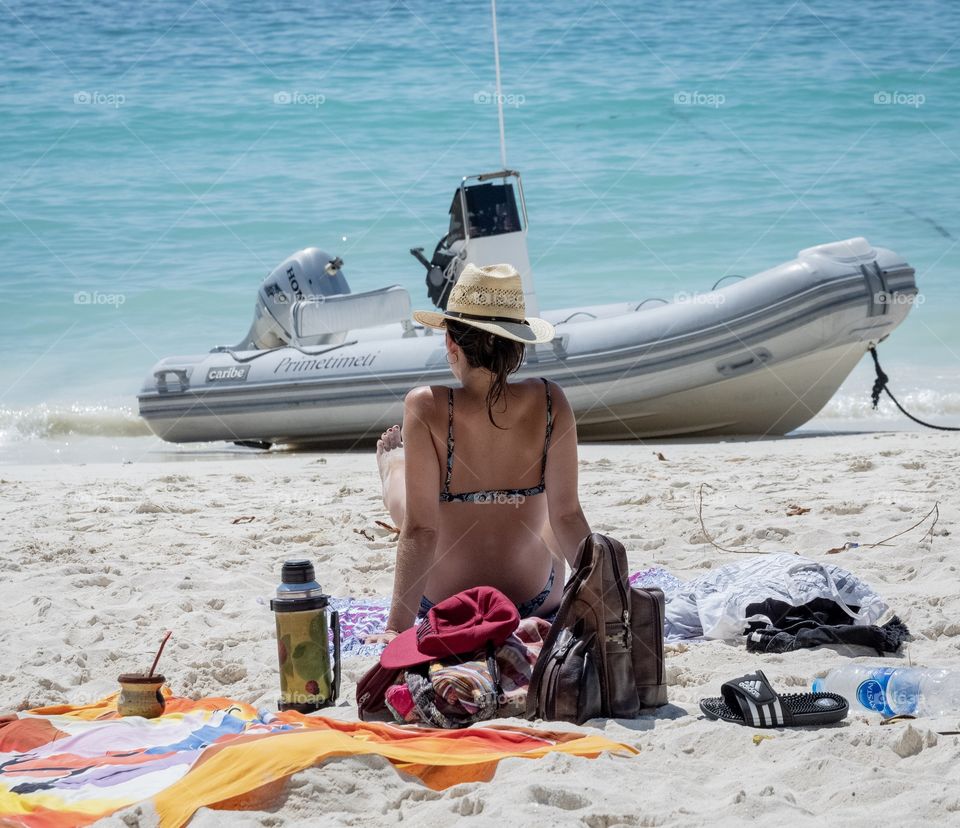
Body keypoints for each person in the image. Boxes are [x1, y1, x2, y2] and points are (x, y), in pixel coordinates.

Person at [367, 263, 591, 644]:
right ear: (518, 345)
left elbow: (421, 531)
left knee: (414, 509)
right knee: (552, 518)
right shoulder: (552, 400)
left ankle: (393, 475)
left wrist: (395, 628)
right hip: (535, 598)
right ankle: (401, 476)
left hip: (447, 603)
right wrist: (606, 600)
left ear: (450, 343)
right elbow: (569, 516)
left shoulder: (425, 406)